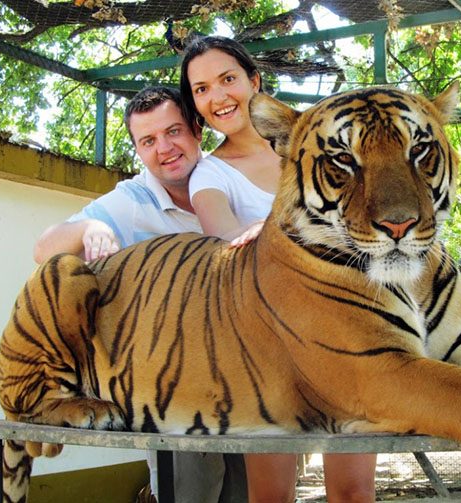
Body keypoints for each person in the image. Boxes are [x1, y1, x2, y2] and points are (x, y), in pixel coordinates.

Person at [180, 35, 378, 502]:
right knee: (271, 497)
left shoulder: (327, 137)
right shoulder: (210, 174)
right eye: (201, 89)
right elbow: (225, 239)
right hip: (267, 349)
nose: (217, 96)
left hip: (353, 334)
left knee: (354, 493)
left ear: (254, 80)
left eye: (227, 79)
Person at [33, 85, 247, 503]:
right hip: (176, 384)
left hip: (247, 376)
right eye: (148, 141)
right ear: (137, 149)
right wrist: (90, 228)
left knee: (251, 493)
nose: (164, 148)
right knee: (190, 491)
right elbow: (44, 250)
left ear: (197, 129)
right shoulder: (133, 199)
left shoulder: (230, 177)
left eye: (173, 131)